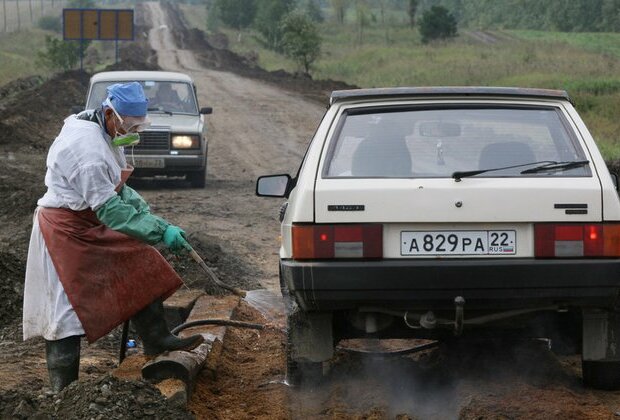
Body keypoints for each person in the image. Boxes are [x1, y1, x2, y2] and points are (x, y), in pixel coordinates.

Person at [23, 82, 204, 393]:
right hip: (66, 230)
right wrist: (160, 231)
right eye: (130, 125)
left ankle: (156, 338)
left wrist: (152, 217)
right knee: (65, 313)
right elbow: (113, 213)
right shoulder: (87, 151)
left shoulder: (103, 128)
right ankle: (64, 392)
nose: (133, 131)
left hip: (90, 219)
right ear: (110, 113)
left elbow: (118, 190)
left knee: (139, 259)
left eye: (137, 126)